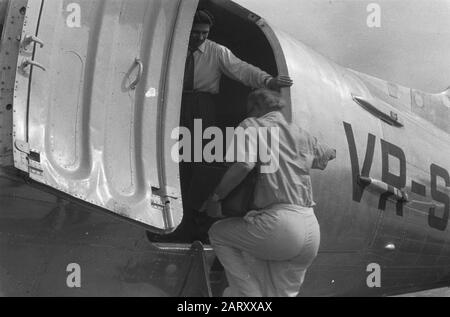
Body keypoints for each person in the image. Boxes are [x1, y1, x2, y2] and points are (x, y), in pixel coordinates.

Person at [202, 89, 336, 297]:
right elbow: (329, 155)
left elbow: (244, 165)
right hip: (310, 230)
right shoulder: (302, 134)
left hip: (281, 223)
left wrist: (216, 197)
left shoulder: (253, 125)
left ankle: (250, 297)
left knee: (218, 233)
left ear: (256, 108)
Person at [176, 9, 293, 241]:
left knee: (199, 160)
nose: (199, 37)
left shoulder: (216, 51)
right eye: (195, 32)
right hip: (176, 102)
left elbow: (241, 69)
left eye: (204, 33)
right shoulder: (174, 46)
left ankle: (196, 218)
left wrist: (268, 80)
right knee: (175, 158)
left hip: (202, 104)